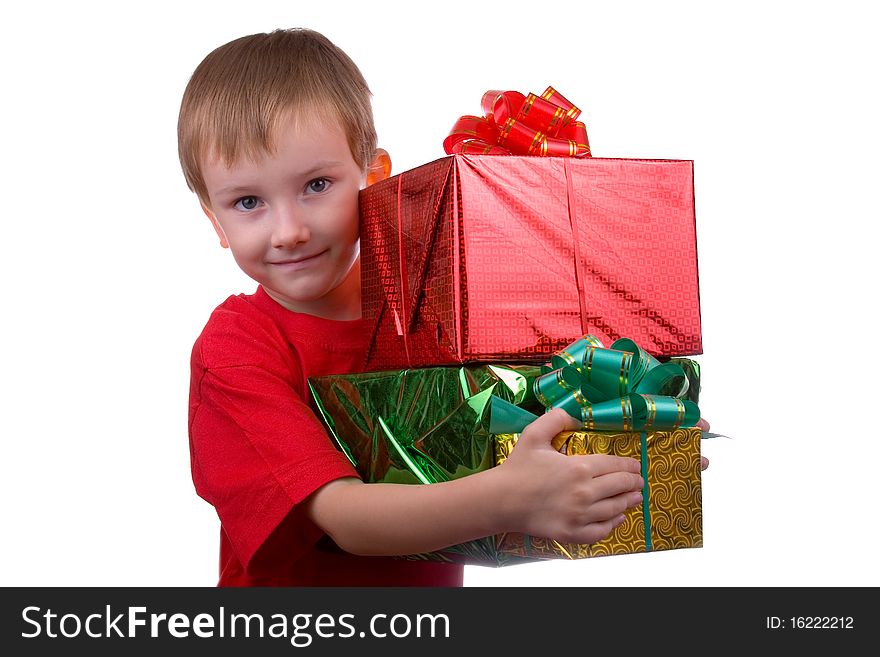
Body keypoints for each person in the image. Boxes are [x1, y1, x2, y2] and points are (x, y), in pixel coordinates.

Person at [177, 28, 670, 587]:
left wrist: (623, 461)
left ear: (375, 177)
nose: (289, 231)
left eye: (317, 185)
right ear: (214, 220)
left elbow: (494, 485)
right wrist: (513, 496)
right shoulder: (236, 348)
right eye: (248, 202)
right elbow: (344, 521)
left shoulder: (429, 302)